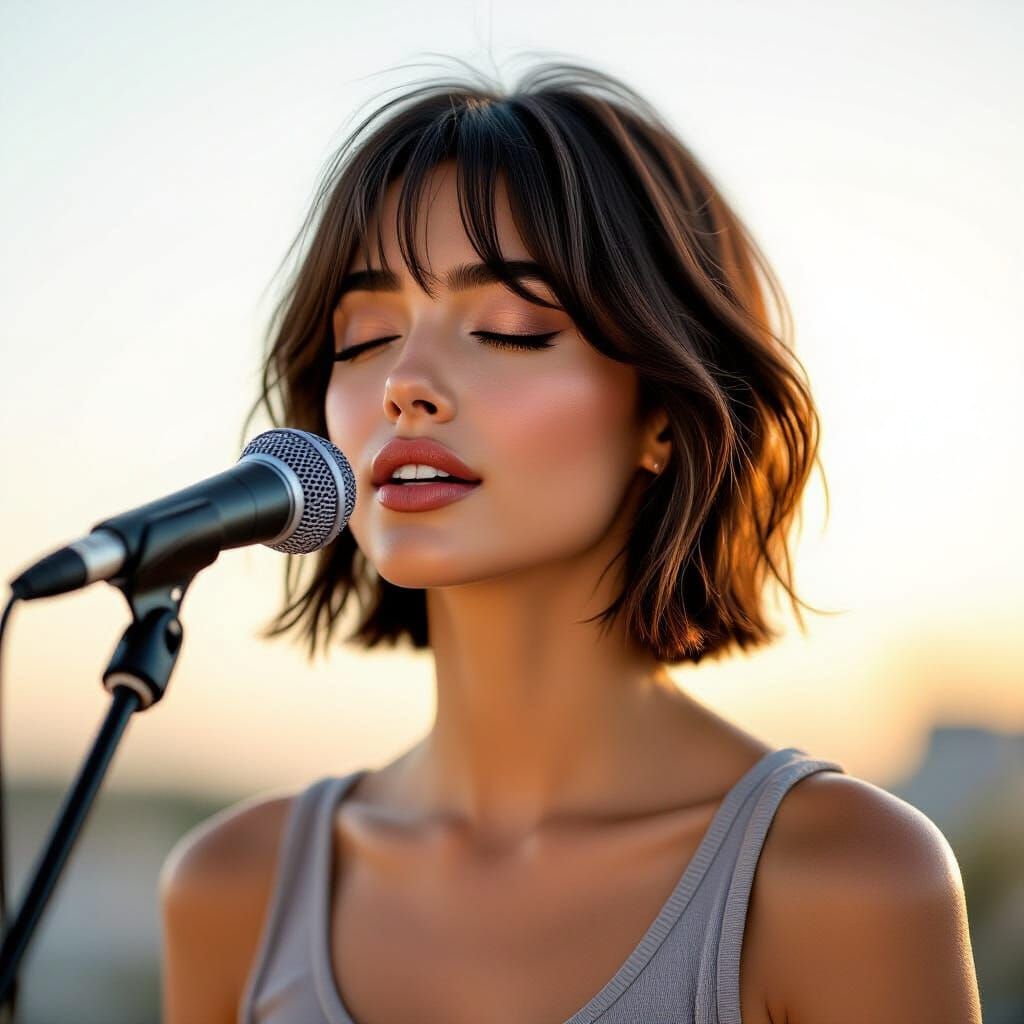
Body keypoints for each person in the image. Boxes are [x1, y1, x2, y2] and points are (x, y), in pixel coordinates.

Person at [158, 57, 982, 1024]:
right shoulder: (231, 892)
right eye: (365, 335)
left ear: (663, 416)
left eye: (508, 327)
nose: (404, 383)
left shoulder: (847, 882)